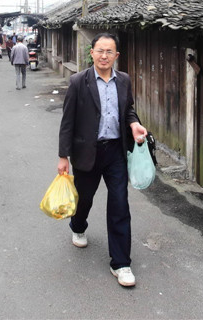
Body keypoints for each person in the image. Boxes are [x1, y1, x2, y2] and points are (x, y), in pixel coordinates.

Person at [57, 33, 147, 288]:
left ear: (116, 55)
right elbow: (68, 121)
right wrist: (63, 156)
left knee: (119, 203)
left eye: (109, 51)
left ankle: (121, 263)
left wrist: (134, 124)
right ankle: (78, 224)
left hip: (115, 152)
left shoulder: (124, 81)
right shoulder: (78, 81)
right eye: (100, 50)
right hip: (87, 152)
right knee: (84, 198)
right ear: (92, 53)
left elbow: (127, 108)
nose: (104, 56)